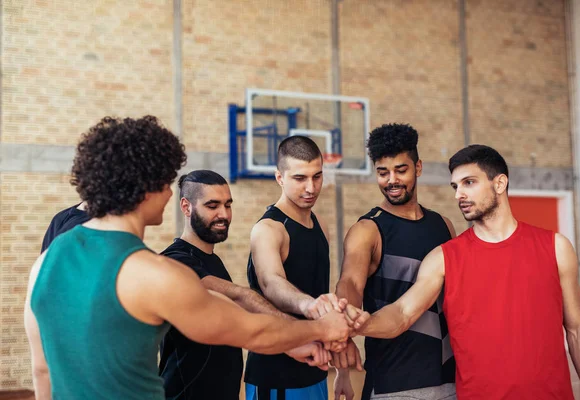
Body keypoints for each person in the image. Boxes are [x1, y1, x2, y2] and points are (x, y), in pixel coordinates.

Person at [24, 116, 353, 400]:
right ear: (146, 188)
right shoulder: (152, 272)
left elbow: (42, 370)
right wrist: (323, 328)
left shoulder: (46, 262)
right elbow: (251, 331)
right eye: (166, 183)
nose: (170, 194)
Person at [347, 144, 580, 400]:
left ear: (499, 183)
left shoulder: (556, 247)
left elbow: (578, 329)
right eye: (455, 187)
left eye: (469, 183)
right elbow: (402, 313)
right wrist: (361, 323)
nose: (459, 195)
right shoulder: (443, 258)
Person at [159, 170, 330, 400]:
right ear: (186, 206)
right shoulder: (175, 260)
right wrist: (300, 334)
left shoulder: (212, 261)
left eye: (227, 205)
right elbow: (240, 298)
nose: (224, 214)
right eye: (212, 206)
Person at [334, 123, 456, 400]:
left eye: (401, 170)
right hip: (393, 384)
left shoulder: (443, 226)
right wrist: (346, 329)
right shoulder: (367, 230)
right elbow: (350, 283)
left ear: (418, 168)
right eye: (382, 172)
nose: (391, 180)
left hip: (449, 379)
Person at [245, 135, 351, 400]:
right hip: (275, 374)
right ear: (280, 177)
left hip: (316, 371)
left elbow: (321, 296)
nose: (311, 187)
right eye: (300, 178)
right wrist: (307, 305)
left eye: (317, 176)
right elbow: (271, 282)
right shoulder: (269, 229)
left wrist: (343, 371)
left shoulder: (321, 225)